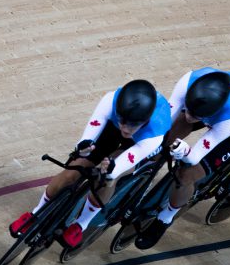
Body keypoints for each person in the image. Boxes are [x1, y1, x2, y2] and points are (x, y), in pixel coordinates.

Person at [9, 79, 171, 248]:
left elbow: (117, 167)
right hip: (110, 128)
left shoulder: (155, 131)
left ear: (144, 121)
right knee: (75, 167)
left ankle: (81, 223)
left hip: (140, 143)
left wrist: (109, 170)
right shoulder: (110, 101)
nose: (126, 128)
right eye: (122, 120)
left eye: (132, 125)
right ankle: (36, 213)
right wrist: (84, 148)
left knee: (108, 176)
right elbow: (89, 135)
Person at [134, 68, 230, 250]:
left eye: (195, 116)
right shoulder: (189, 81)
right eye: (188, 110)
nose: (188, 116)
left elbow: (195, 155)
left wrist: (185, 152)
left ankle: (165, 219)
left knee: (186, 174)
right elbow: (166, 121)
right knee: (168, 133)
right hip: (207, 106)